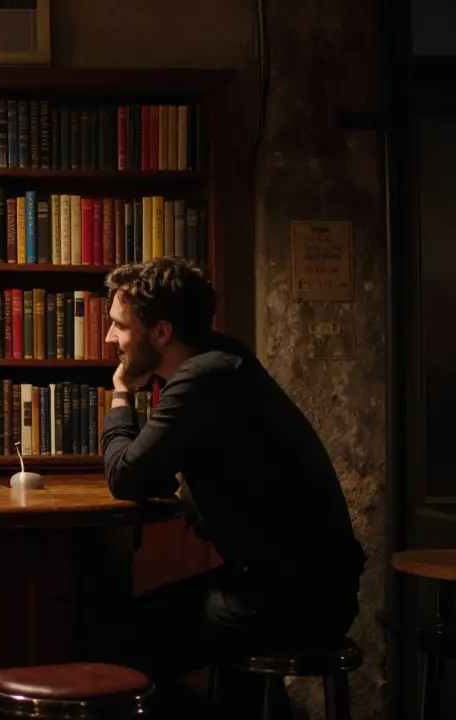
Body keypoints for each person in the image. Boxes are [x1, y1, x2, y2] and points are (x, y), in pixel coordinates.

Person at [91, 257, 366, 718]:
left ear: (161, 332)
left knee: (113, 642)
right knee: (151, 632)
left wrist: (121, 392)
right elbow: (154, 472)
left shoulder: (203, 379)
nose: (109, 338)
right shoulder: (222, 362)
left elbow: (125, 476)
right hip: (306, 587)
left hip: (289, 599)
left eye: (120, 325)